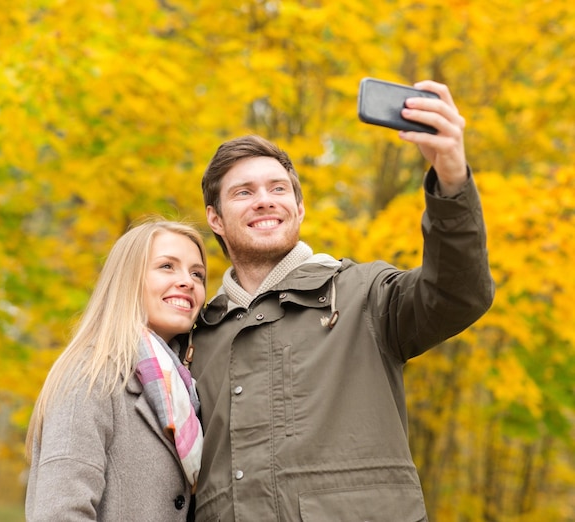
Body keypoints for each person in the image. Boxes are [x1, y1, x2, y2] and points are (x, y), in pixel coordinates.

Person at [188, 81, 495, 521]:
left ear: (299, 208)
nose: (264, 202)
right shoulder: (197, 338)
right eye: (243, 192)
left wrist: (450, 176)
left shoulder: (365, 294)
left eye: (278, 189)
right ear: (215, 218)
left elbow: (459, 292)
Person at [25, 218, 207, 522]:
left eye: (197, 274)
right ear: (128, 279)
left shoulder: (183, 389)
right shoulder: (91, 374)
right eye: (166, 266)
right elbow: (61, 512)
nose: (187, 281)